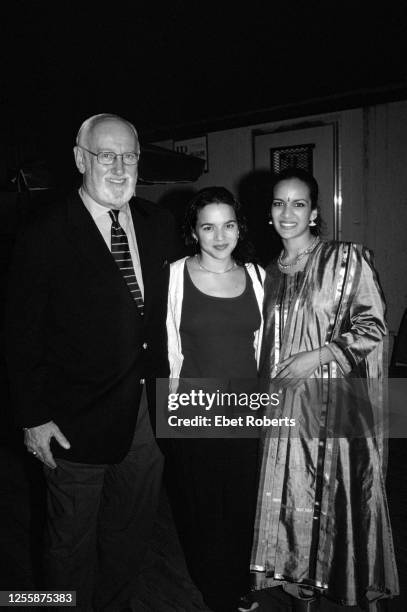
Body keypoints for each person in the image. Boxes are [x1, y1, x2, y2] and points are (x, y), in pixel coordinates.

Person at [5, 113, 177, 611]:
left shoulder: (159, 224)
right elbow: (21, 335)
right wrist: (33, 418)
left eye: (129, 156)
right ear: (81, 159)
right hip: (72, 421)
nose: (120, 167)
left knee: (130, 536)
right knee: (69, 544)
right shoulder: (43, 232)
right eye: (107, 155)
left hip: (148, 417)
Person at [250, 167, 399, 611]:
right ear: (269, 213)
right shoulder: (265, 274)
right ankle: (300, 588)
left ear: (315, 212)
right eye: (279, 203)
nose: (287, 212)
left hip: (334, 406)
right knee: (293, 498)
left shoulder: (346, 258)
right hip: (284, 410)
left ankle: (351, 585)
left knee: (342, 500)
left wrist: (317, 356)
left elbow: (374, 325)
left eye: (298, 203)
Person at [165, 186, 265, 612]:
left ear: (240, 228)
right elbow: (166, 348)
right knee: (202, 507)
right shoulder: (172, 275)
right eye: (208, 226)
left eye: (228, 225)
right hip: (195, 412)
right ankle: (215, 588)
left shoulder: (259, 276)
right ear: (194, 231)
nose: (219, 236)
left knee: (243, 503)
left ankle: (239, 580)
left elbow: (263, 347)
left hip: (247, 410)